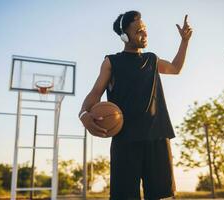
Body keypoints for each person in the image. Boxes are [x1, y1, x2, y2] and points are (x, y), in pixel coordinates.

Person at [78, 10, 192, 200]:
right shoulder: (111, 62)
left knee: (160, 196)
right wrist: (84, 115)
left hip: (157, 136)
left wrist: (184, 41)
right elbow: (95, 94)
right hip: (125, 139)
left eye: (145, 29)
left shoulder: (152, 60)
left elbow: (175, 68)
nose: (145, 33)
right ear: (124, 35)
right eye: (139, 30)